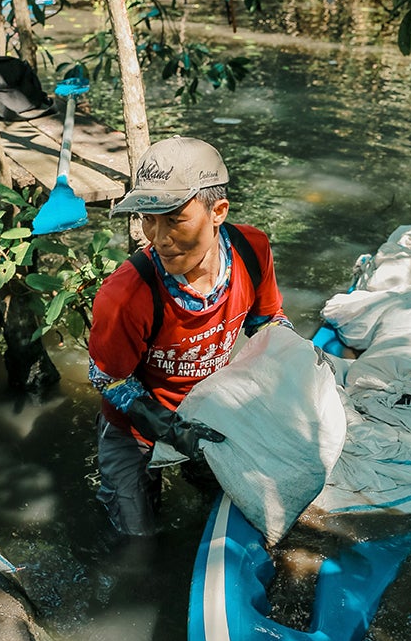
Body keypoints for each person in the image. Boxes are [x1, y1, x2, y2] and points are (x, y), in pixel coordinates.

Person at [87, 137, 286, 537]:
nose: (157, 238)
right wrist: (172, 430)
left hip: (211, 413)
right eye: (149, 218)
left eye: (174, 218)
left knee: (239, 512)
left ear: (218, 212)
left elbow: (267, 323)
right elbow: (109, 378)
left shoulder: (252, 251)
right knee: (136, 542)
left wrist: (296, 376)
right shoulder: (125, 295)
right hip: (137, 427)